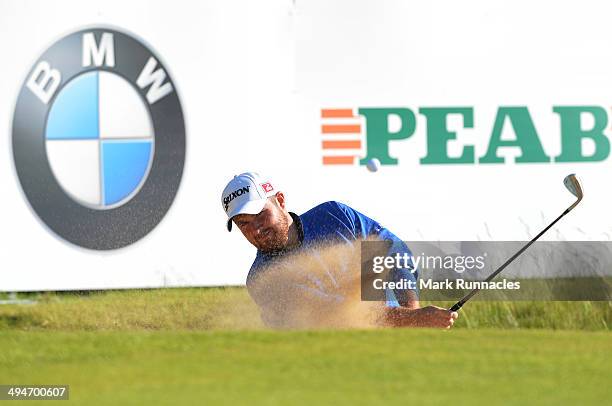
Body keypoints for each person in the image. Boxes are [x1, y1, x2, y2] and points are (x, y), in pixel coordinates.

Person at [221, 172, 458, 329]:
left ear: (280, 201)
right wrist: (414, 320)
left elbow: (394, 254)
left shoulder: (334, 216)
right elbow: (339, 313)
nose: (256, 229)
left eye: (261, 215)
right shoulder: (263, 280)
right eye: (244, 223)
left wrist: (411, 308)